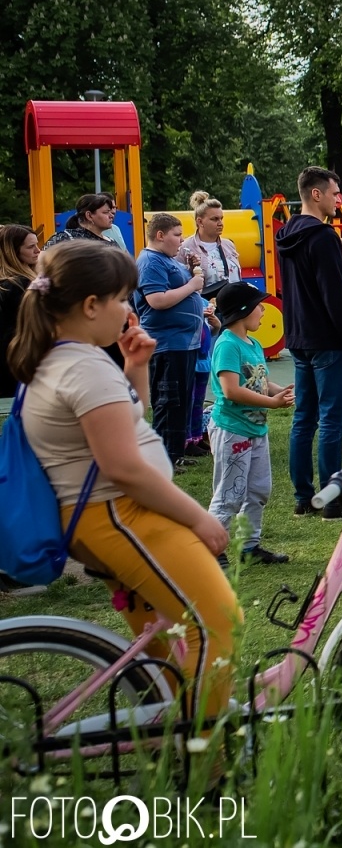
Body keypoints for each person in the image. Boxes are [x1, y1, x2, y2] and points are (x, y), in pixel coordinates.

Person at [12, 241, 236, 721]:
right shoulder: (83, 368)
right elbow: (122, 467)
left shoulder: (63, 358)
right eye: (120, 299)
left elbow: (128, 427)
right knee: (216, 626)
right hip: (119, 514)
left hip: (104, 518)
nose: (127, 309)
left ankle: (177, 730)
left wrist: (134, 368)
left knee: (172, 643)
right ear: (91, 306)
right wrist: (201, 518)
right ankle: (206, 768)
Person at [277, 167, 342, 517]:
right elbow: (336, 296)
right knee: (332, 420)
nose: (338, 200)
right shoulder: (324, 237)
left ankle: (304, 496)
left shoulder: (286, 233)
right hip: (328, 340)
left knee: (304, 419)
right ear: (316, 194)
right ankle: (333, 499)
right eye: (334, 193)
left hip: (299, 336)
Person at [205, 281, 294, 566]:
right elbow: (231, 390)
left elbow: (259, 380)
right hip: (233, 430)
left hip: (255, 429)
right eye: (258, 306)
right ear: (243, 312)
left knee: (257, 489)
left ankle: (249, 547)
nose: (264, 311)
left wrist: (280, 392)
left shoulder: (253, 344)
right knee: (230, 492)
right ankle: (211, 548)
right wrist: (272, 404)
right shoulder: (227, 345)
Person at [134, 213, 213, 466]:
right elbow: (156, 300)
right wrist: (192, 285)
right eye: (177, 235)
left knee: (181, 400)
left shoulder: (168, 260)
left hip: (183, 342)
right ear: (160, 235)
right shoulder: (150, 261)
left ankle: (175, 454)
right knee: (168, 401)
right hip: (167, 342)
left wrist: (191, 273)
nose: (181, 241)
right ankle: (163, 456)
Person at [0, 224, 41, 398]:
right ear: (13, 252)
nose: (38, 251)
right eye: (31, 247)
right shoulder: (20, 285)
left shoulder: (7, 283)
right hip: (21, 361)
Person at [179, 192, 242, 290]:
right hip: (205, 302)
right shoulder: (185, 247)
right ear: (200, 221)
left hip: (234, 300)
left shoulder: (229, 245)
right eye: (215, 219)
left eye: (221, 218)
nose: (220, 223)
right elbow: (177, 280)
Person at [43, 192, 127, 251]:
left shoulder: (111, 242)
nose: (111, 215)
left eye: (110, 211)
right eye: (105, 212)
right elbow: (41, 263)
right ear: (89, 215)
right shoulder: (65, 238)